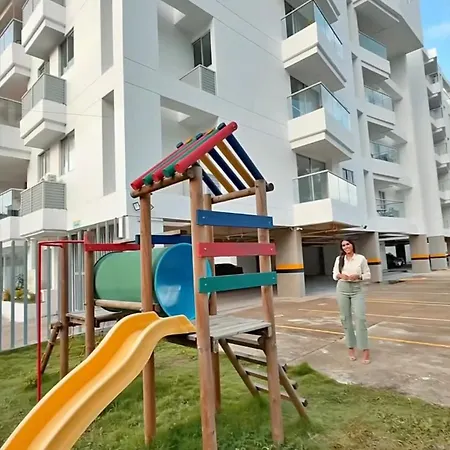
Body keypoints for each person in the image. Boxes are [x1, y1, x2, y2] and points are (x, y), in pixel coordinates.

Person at [332, 239, 371, 364]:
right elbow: (334, 274)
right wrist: (340, 276)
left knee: (360, 318)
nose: (346, 247)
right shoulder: (339, 259)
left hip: (356, 289)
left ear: (352, 245)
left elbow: (368, 275)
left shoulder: (360, 259)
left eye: (348, 244)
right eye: (343, 245)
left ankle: (365, 349)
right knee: (345, 318)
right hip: (342, 288)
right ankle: (350, 348)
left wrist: (358, 276)